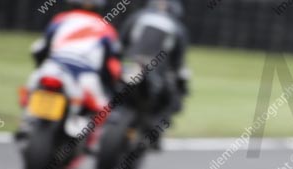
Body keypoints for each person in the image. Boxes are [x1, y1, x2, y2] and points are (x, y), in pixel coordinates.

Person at [28, 0, 122, 113]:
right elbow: (112, 65)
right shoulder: (106, 28)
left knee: (31, 89)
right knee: (103, 110)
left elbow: (40, 49)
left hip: (53, 67)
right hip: (85, 76)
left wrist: (42, 65)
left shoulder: (61, 19)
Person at [120, 0, 189, 147]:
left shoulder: (137, 17)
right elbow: (178, 61)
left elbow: (122, 41)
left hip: (130, 66)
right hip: (154, 73)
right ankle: (154, 132)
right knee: (174, 98)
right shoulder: (177, 27)